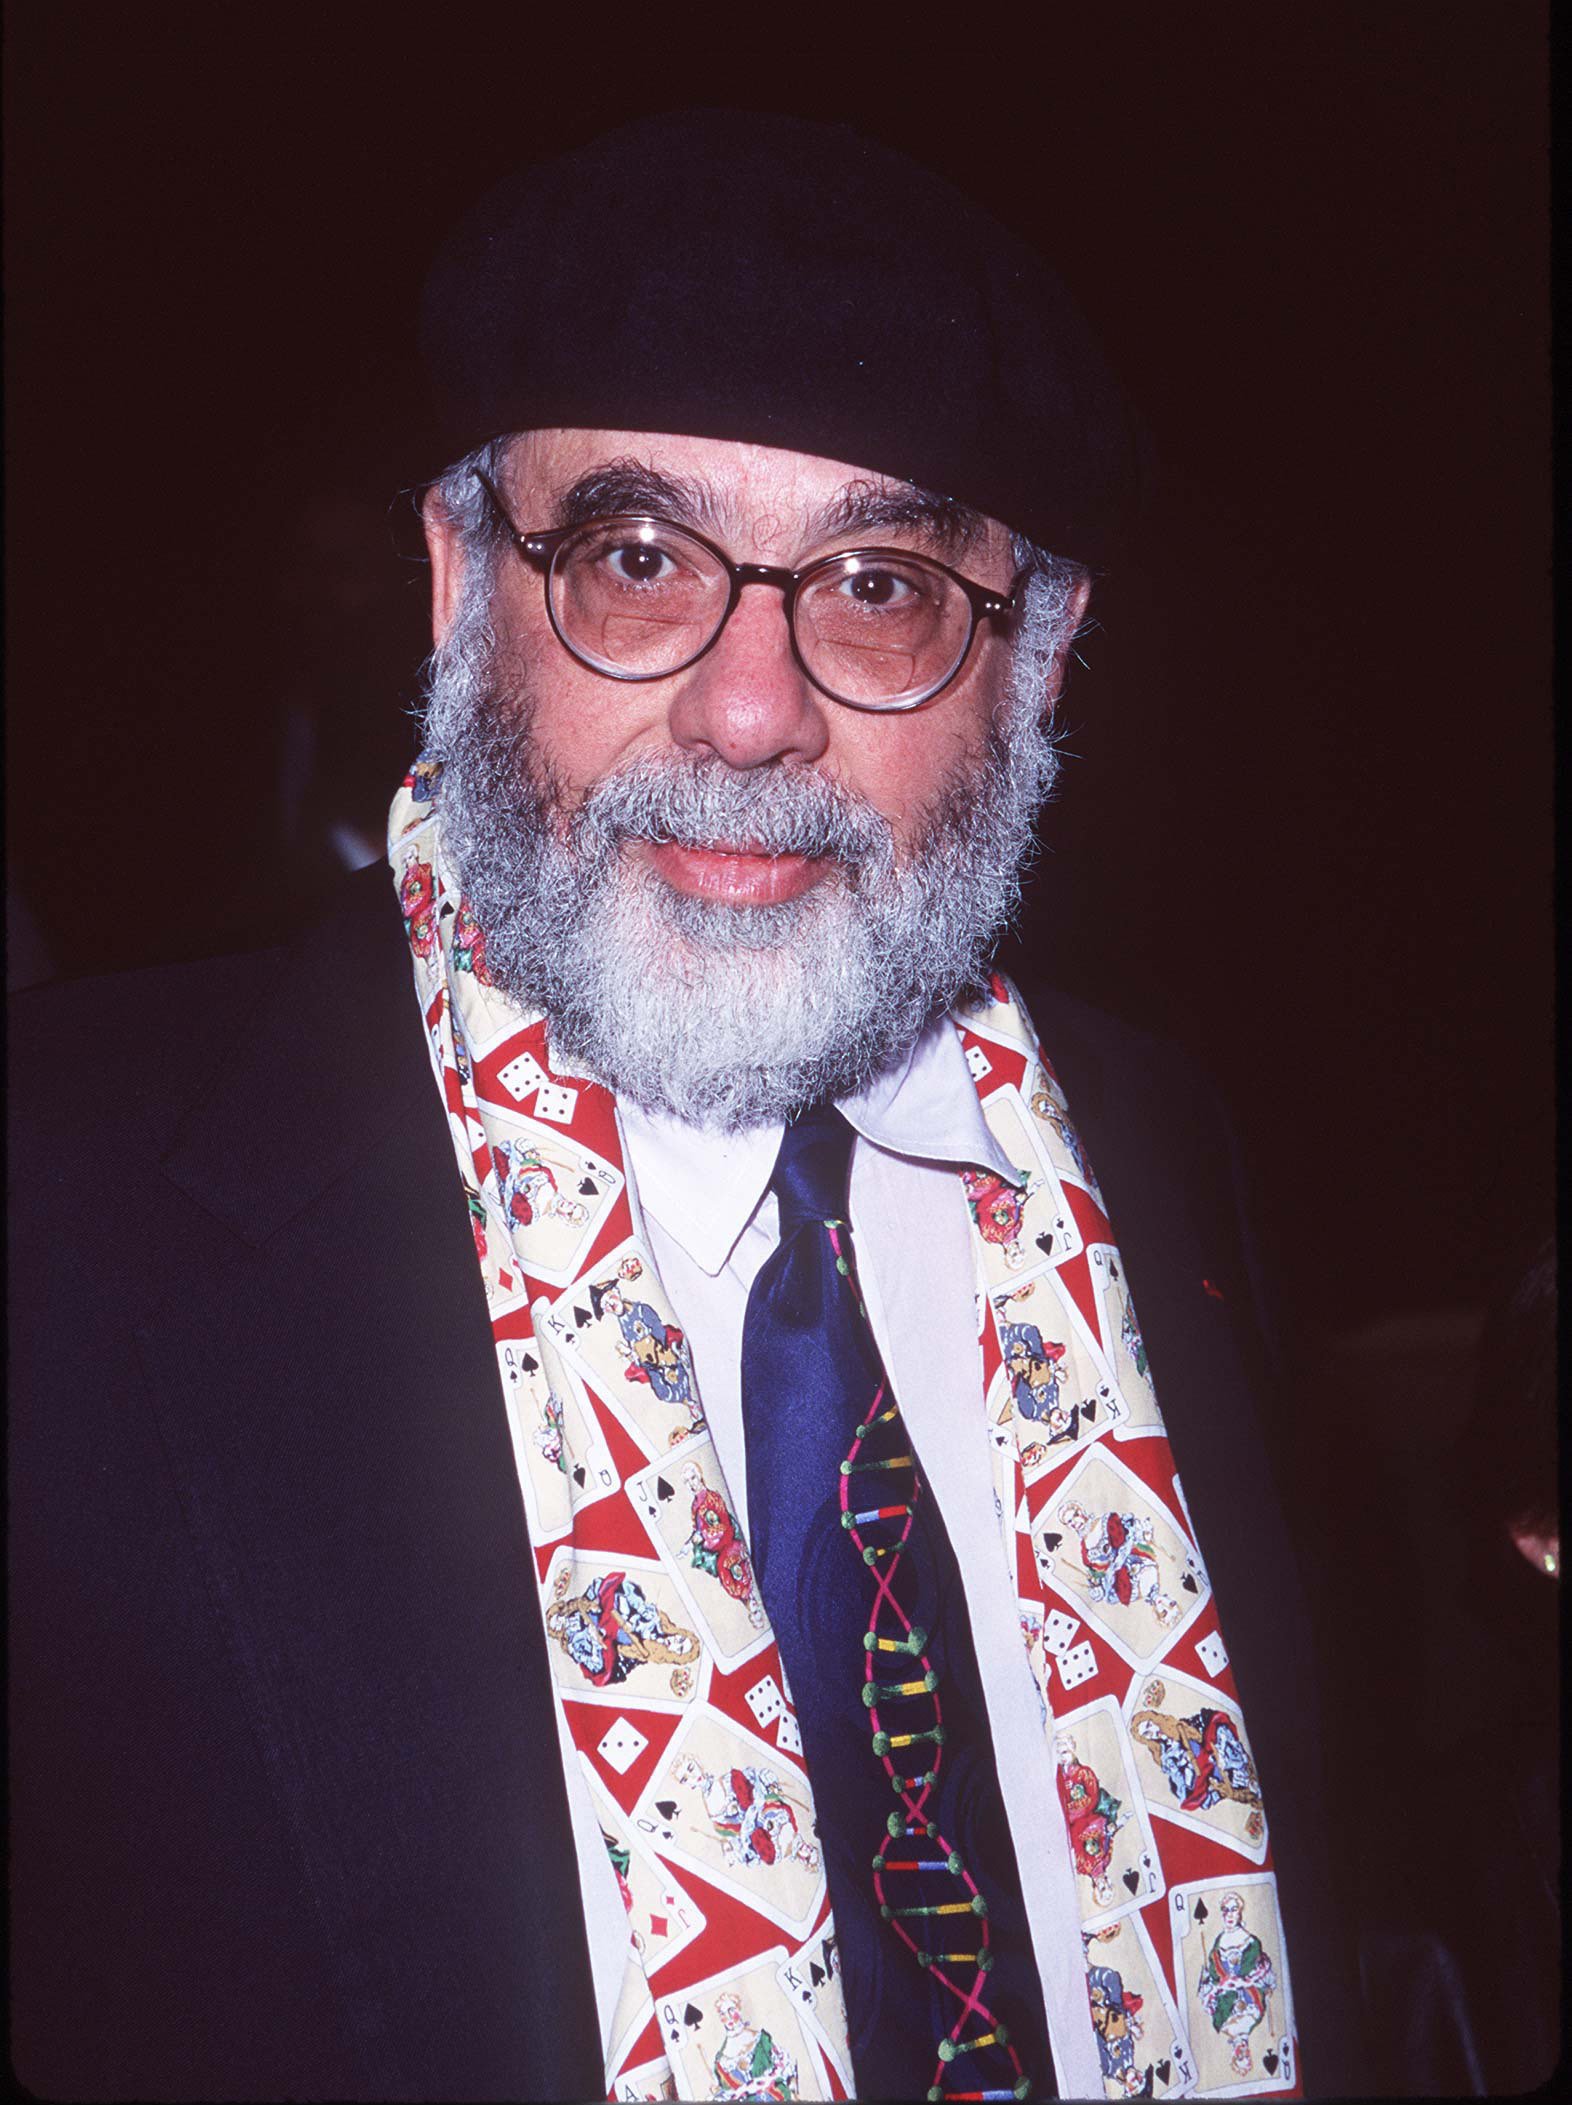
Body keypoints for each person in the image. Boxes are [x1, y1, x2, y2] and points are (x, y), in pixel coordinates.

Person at [9, 111, 1364, 2099]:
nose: (752, 710)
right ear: (463, 579)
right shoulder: (58, 1214)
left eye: (883, 586)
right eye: (638, 562)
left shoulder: (1161, 1155)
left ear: (1043, 657)